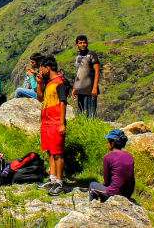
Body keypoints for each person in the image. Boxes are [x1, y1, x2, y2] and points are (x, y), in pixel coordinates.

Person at [36, 55, 71, 194]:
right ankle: (52, 179)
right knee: (50, 151)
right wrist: (39, 83)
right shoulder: (48, 83)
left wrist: (62, 123)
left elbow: (63, 102)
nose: (40, 70)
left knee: (58, 153)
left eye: (42, 68)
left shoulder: (59, 82)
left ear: (48, 67)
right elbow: (40, 98)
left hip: (56, 121)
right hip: (46, 122)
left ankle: (59, 182)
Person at [89, 129, 135, 202]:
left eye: (108, 141)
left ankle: (93, 206)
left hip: (115, 192)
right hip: (128, 193)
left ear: (112, 143)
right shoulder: (130, 156)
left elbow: (106, 181)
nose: (107, 144)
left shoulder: (108, 157)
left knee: (92, 185)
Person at [71, 34, 102, 118]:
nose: (82, 44)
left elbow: (97, 71)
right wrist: (74, 88)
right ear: (77, 45)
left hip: (90, 89)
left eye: (84, 42)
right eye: (80, 43)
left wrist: (95, 88)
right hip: (80, 89)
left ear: (87, 43)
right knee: (82, 113)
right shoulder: (78, 57)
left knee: (91, 114)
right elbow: (78, 73)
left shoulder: (91, 55)